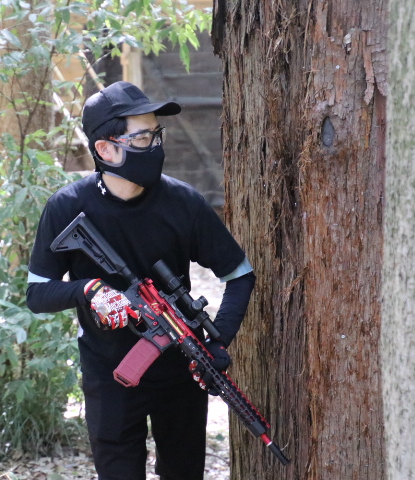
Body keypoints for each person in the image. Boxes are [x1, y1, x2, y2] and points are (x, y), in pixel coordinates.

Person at [26, 81, 255, 480]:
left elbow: (239, 274)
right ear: (105, 149)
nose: (156, 147)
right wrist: (88, 290)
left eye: (157, 135)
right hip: (108, 375)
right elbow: (37, 293)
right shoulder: (67, 207)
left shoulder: (183, 202)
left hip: (181, 371)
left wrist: (217, 342)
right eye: (143, 138)